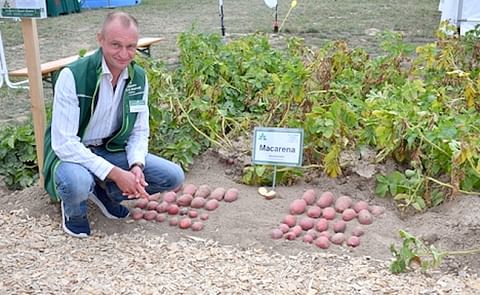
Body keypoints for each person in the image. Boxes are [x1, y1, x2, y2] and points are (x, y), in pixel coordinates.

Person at [42, 12, 184, 238]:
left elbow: (139, 130)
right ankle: (74, 212)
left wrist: (136, 165)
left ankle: (103, 191)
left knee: (172, 176)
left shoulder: (138, 78)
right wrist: (115, 173)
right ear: (100, 39)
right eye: (116, 45)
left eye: (131, 46)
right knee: (77, 182)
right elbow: (64, 143)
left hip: (108, 149)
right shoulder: (73, 76)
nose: (124, 54)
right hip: (71, 153)